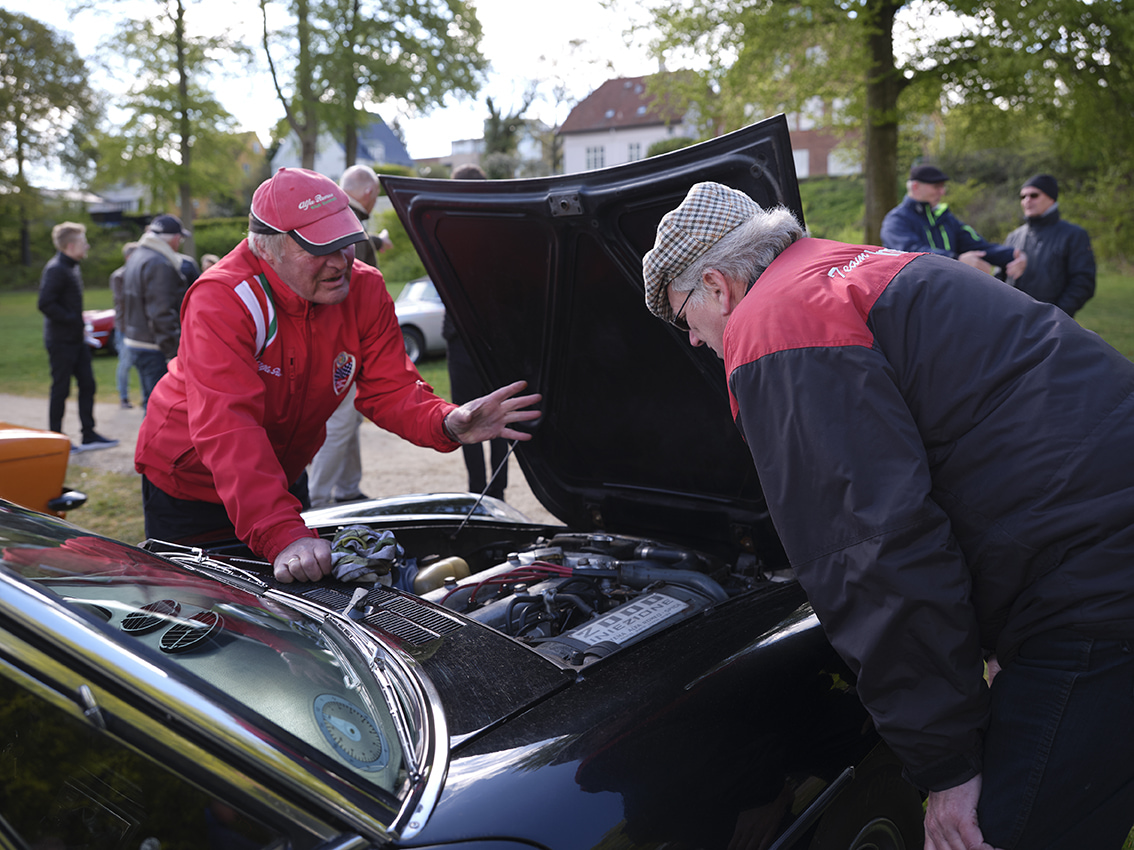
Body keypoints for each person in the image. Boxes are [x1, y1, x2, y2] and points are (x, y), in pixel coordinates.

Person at [642, 181, 1134, 850]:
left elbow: (878, 555)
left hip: (1095, 582)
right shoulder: (864, 267)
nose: (696, 342)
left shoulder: (777, 325)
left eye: (683, 318)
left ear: (717, 286)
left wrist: (949, 765)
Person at [135, 167, 540, 584]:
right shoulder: (223, 298)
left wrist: (444, 421)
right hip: (189, 487)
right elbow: (228, 426)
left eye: (346, 242)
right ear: (268, 248)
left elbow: (391, 388)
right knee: (197, 619)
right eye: (319, 248)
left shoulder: (363, 289)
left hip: (282, 478)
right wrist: (281, 532)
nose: (340, 261)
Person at [307, 164, 384, 507]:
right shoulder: (353, 225)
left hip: (330, 344)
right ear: (369, 194)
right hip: (339, 347)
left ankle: (348, 488)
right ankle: (318, 498)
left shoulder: (330, 217)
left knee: (348, 421)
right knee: (339, 424)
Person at [443, 162, 510, 500]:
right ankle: (489, 491)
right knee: (483, 413)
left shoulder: (446, 230)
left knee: (476, 413)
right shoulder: (495, 226)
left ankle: (485, 492)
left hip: (471, 339)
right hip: (489, 338)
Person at [36, 222, 118, 452]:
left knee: (88, 384)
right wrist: (73, 319)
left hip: (77, 339)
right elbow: (45, 303)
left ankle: (89, 434)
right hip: (60, 341)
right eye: (83, 242)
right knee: (61, 389)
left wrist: (78, 324)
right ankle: (55, 438)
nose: (87, 245)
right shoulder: (56, 269)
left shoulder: (72, 266)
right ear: (71, 245)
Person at [881, 164, 1027, 278]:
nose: (942, 192)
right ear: (915, 187)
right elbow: (913, 253)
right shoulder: (896, 220)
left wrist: (1015, 255)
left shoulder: (945, 218)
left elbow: (979, 248)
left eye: (943, 187)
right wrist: (957, 260)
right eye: (936, 186)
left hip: (948, 297)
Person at [1002, 174, 1096, 317]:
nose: (1027, 200)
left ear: (1051, 198)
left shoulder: (1074, 235)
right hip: (1012, 320)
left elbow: (1083, 283)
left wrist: (1055, 316)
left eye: (1034, 195)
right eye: (1023, 196)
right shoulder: (1013, 237)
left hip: (1052, 325)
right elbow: (998, 279)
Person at [122, 214, 188, 410]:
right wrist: (174, 351)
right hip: (154, 346)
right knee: (159, 410)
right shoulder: (160, 263)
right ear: (175, 238)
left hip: (136, 340)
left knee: (149, 403)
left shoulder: (138, 255)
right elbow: (161, 312)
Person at [108, 241, 139, 409]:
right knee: (125, 363)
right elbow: (122, 302)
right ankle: (123, 397)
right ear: (128, 257)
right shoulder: (118, 276)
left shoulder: (140, 273)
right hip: (125, 328)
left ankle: (146, 398)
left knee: (143, 365)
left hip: (140, 329)